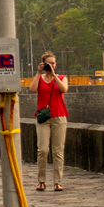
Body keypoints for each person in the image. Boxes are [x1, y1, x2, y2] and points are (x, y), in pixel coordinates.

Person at [34, 52, 70, 192]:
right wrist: (38, 72)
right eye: (48, 63)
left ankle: (57, 182)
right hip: (44, 118)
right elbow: (32, 89)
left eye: (53, 63)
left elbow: (64, 89)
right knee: (42, 150)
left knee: (58, 151)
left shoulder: (61, 77)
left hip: (59, 117)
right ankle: (41, 181)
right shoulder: (39, 78)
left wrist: (54, 74)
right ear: (43, 63)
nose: (51, 65)